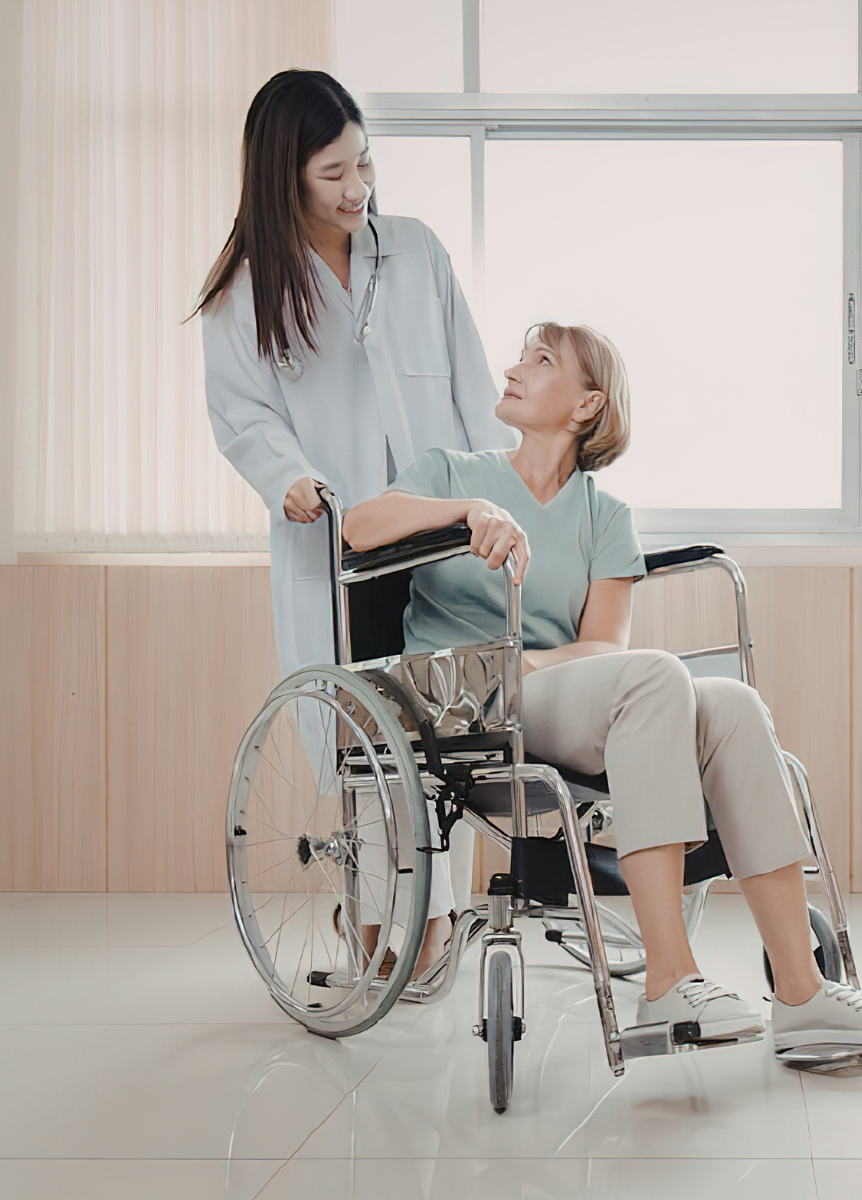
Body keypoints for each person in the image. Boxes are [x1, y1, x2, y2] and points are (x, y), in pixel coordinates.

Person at [342, 323, 862, 1051]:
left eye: (542, 360)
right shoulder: (452, 472)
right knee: (655, 677)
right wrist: (468, 514)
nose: (516, 368)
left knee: (733, 704)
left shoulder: (604, 517)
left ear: (587, 405)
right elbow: (361, 527)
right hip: (461, 703)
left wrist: (533, 665)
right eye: (523, 355)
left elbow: (601, 646)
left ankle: (802, 994)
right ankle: (669, 981)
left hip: (554, 695)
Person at [196, 70, 509, 974]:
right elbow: (243, 414)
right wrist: (286, 476)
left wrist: (508, 495)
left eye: (364, 163)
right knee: (367, 737)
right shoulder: (245, 290)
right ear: (282, 173)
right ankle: (385, 923)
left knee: (437, 732)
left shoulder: (415, 252)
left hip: (438, 533)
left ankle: (423, 924)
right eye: (333, 173)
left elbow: (475, 392)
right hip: (338, 541)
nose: (357, 189)